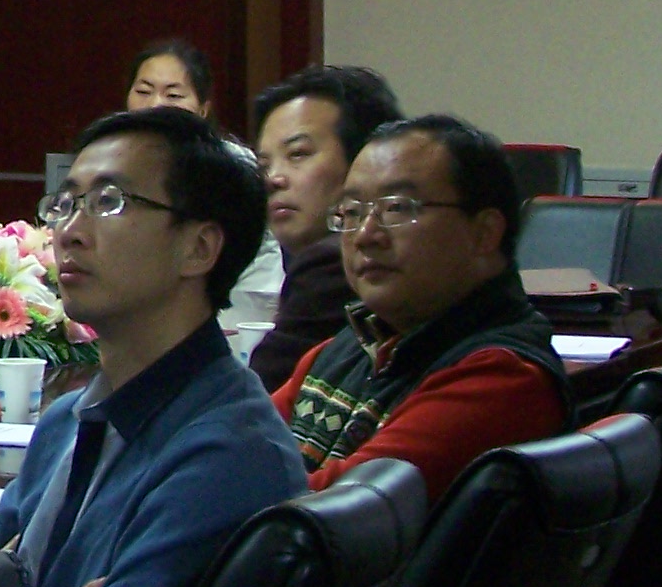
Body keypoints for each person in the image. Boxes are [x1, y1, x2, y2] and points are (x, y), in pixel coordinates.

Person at [0, 107, 309, 587]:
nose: (70, 232)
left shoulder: (229, 454)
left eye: (110, 202)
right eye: (65, 204)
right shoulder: (67, 422)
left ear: (199, 248)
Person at [270, 112, 569, 500]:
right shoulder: (347, 347)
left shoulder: (501, 379)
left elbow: (333, 508)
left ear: (484, 233)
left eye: (397, 208)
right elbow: (238, 446)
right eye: (352, 212)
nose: (365, 235)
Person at [243, 63, 402, 392]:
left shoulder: (336, 263)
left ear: (365, 161)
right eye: (264, 164)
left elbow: (256, 396)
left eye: (298, 154)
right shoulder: (299, 255)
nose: (273, 179)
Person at [120, 35, 283, 339]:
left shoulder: (234, 167)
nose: (155, 105)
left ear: (203, 108)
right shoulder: (111, 164)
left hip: (236, 313)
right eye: (143, 91)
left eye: (173, 95)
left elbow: (255, 270)